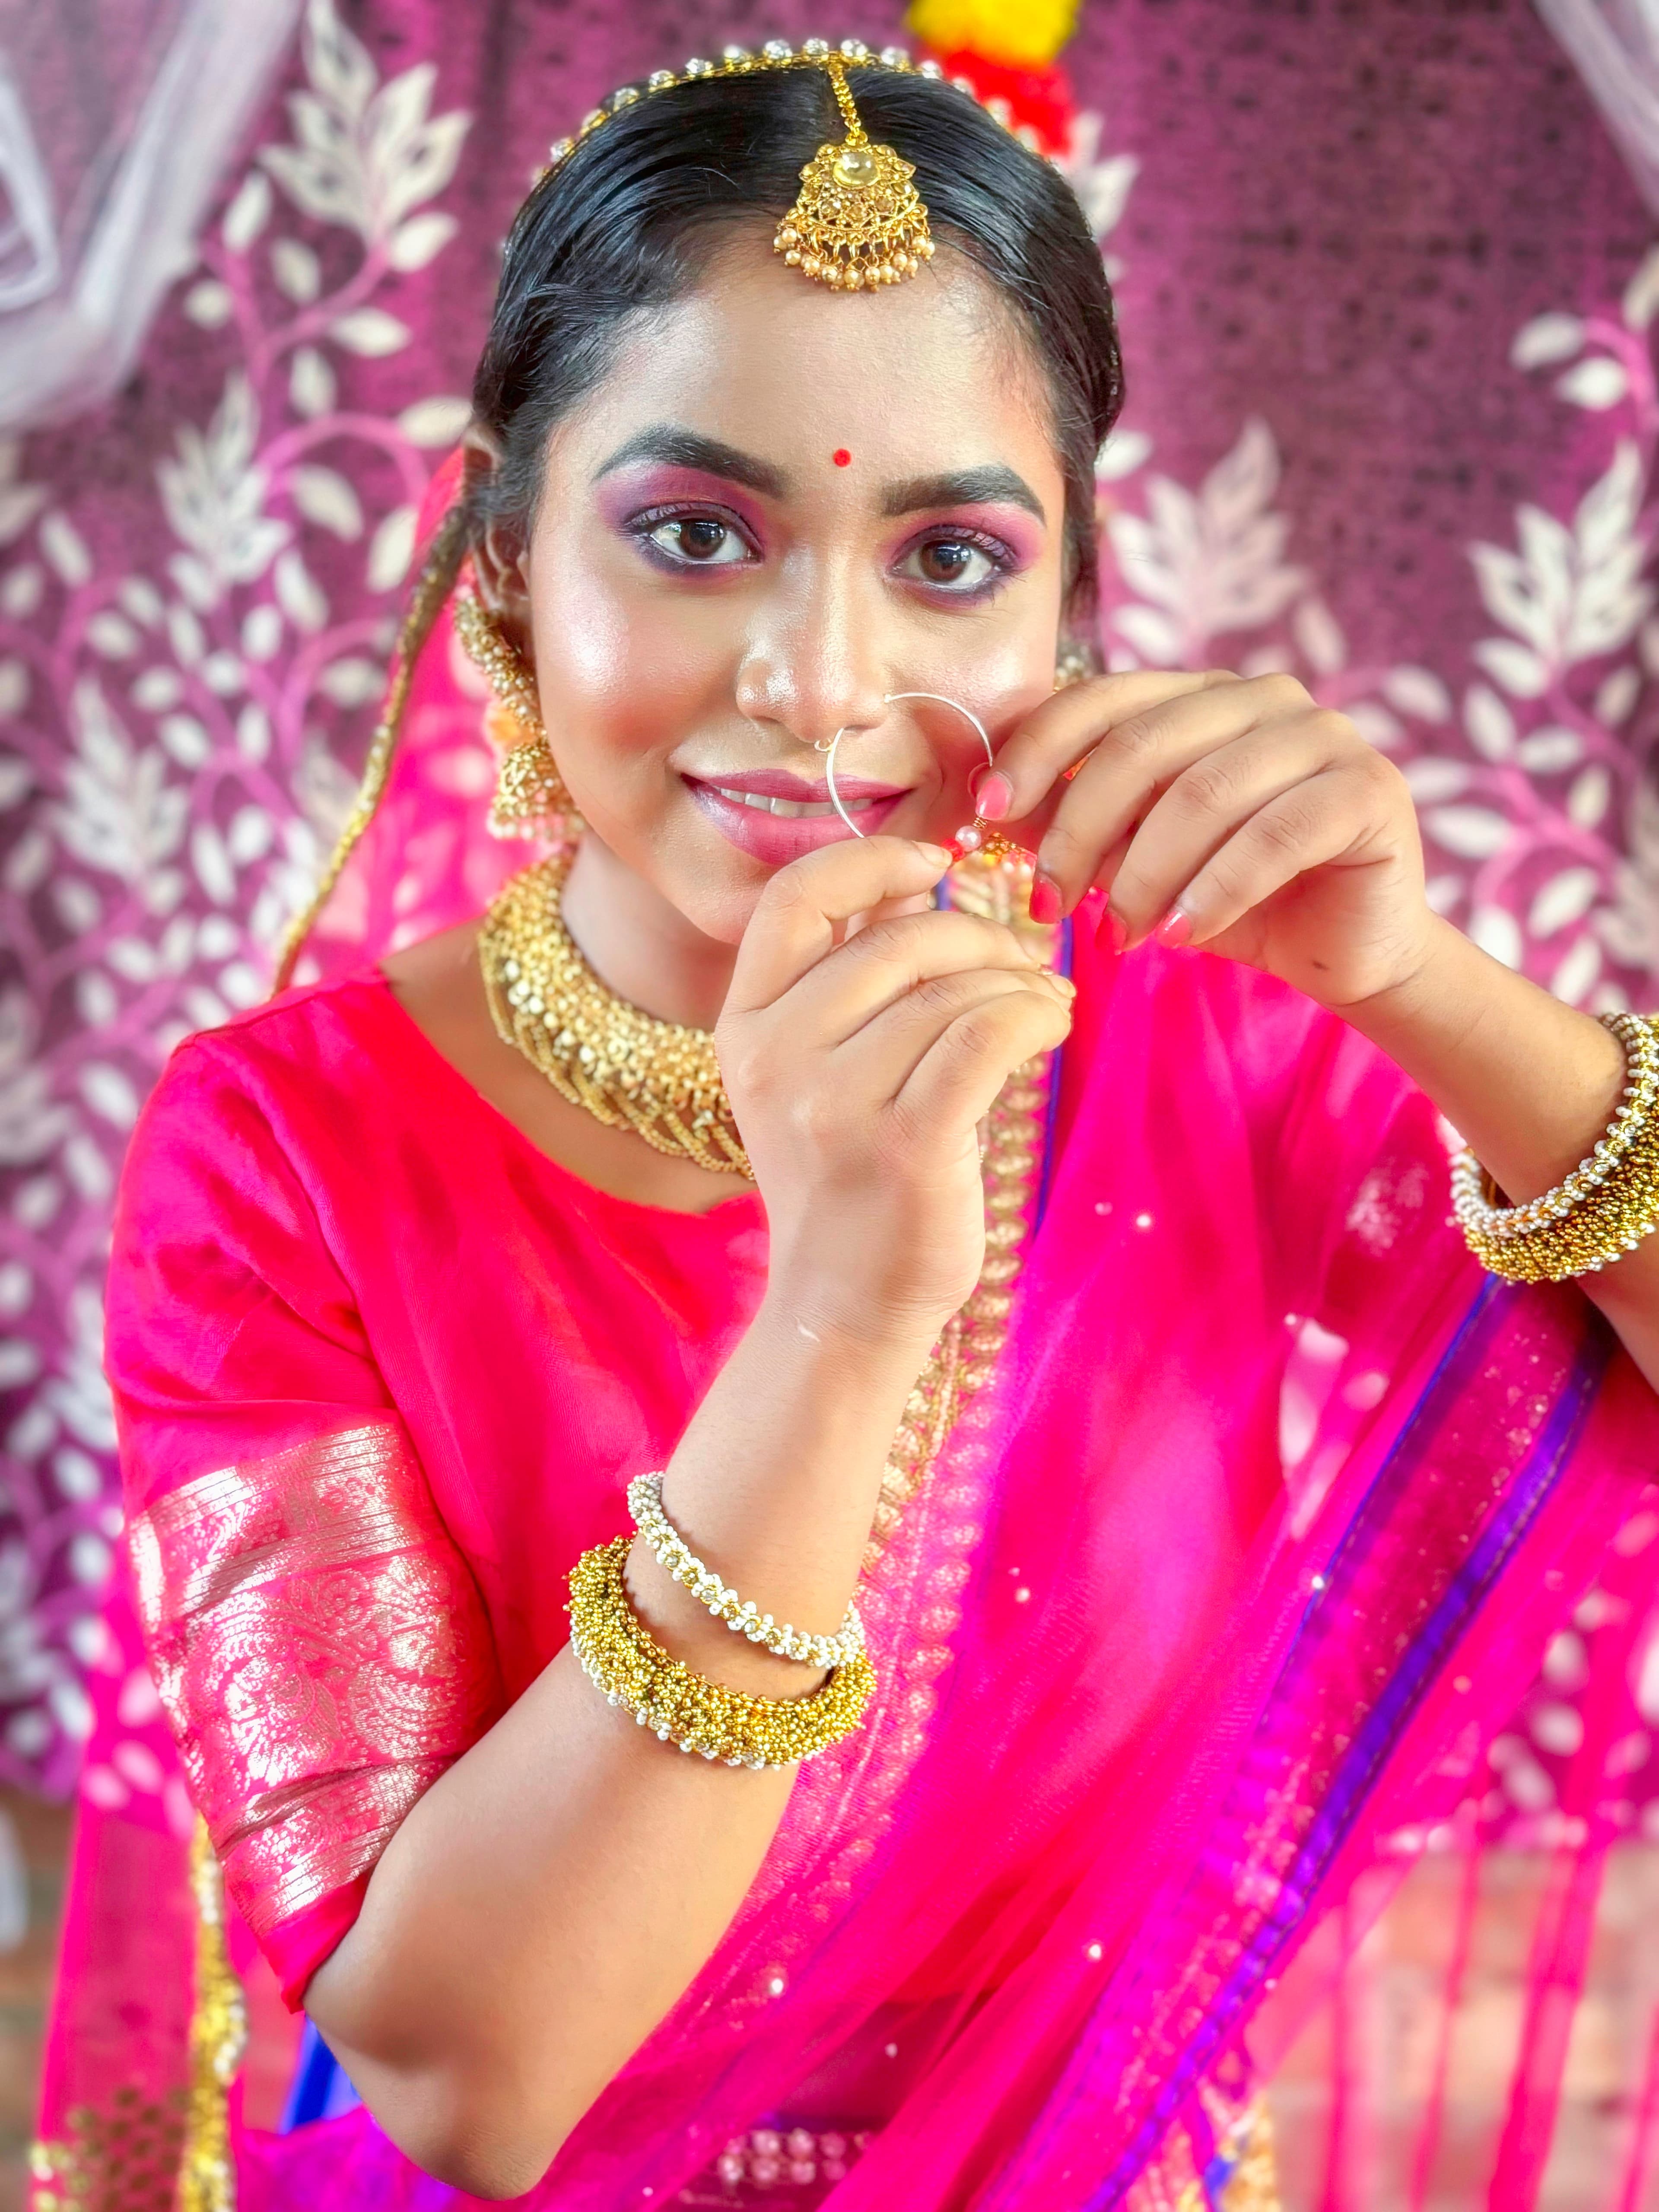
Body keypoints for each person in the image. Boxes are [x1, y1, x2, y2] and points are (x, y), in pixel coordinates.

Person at [43, 40, 1659, 2212]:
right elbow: (465, 2074)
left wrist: (1413, 981)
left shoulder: (1200, 1029)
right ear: (505, 559)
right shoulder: (283, 1156)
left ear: (1075, 599)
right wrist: (847, 1296)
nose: (821, 677)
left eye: (952, 558)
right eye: (697, 533)